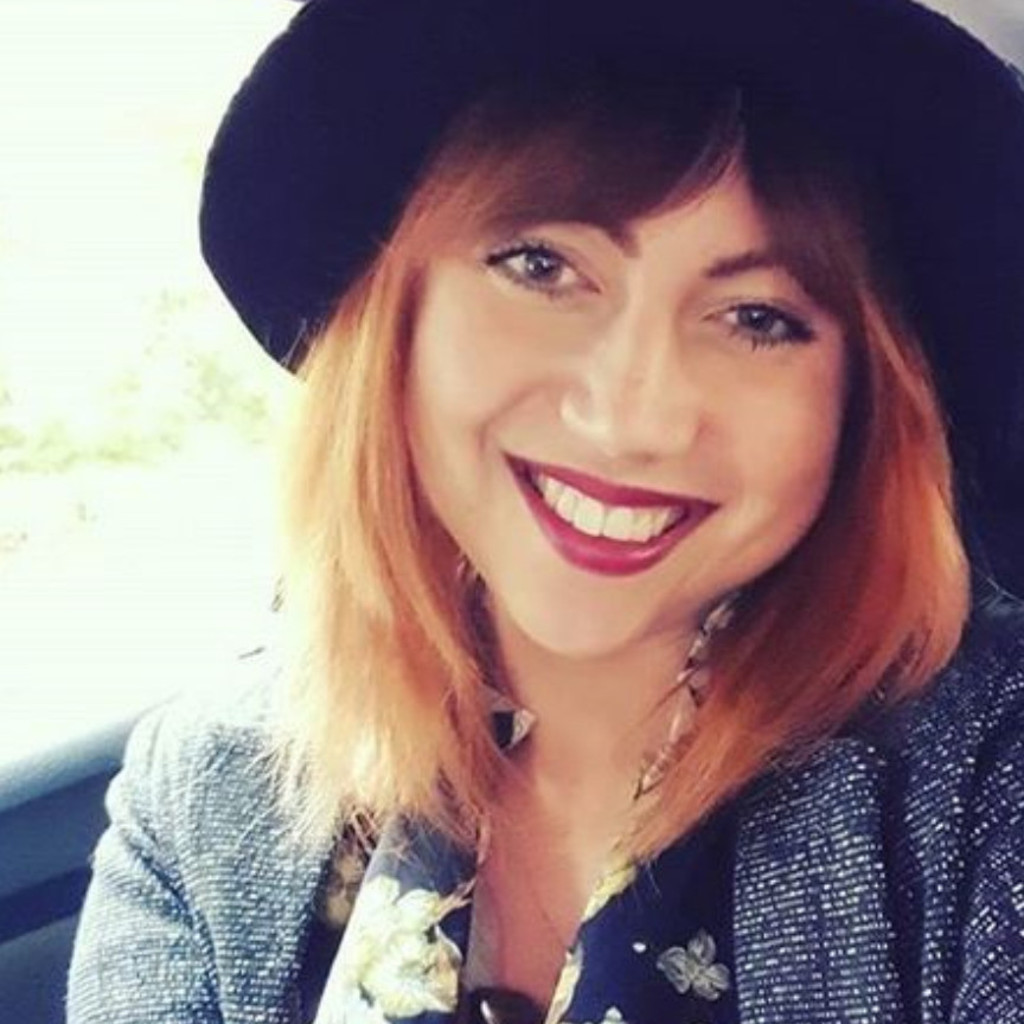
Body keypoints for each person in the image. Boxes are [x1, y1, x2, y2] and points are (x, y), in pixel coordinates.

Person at [67, 0, 1024, 1021]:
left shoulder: (984, 794)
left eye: (757, 318)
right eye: (543, 267)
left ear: (865, 404)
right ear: (397, 315)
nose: (628, 420)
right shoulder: (201, 793)